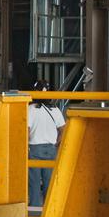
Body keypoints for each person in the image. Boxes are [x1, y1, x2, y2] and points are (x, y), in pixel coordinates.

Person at [26, 81, 66, 209]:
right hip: (51, 149)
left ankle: (35, 207)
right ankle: (49, 207)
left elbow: (26, 130)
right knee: (50, 180)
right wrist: (56, 143)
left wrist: (25, 146)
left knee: (34, 181)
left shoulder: (30, 109)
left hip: (34, 148)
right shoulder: (55, 110)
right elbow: (63, 129)